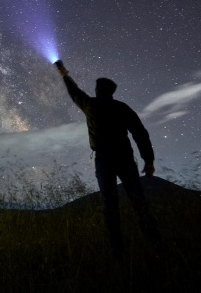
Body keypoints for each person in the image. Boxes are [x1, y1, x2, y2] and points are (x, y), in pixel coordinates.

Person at [55, 60, 161, 259]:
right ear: (111, 92)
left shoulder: (91, 105)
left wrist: (64, 74)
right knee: (138, 201)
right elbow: (140, 133)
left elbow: (74, 92)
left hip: (104, 160)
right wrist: (148, 160)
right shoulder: (122, 108)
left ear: (99, 89)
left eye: (96, 87)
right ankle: (155, 244)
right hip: (125, 157)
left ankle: (117, 252)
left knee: (109, 204)